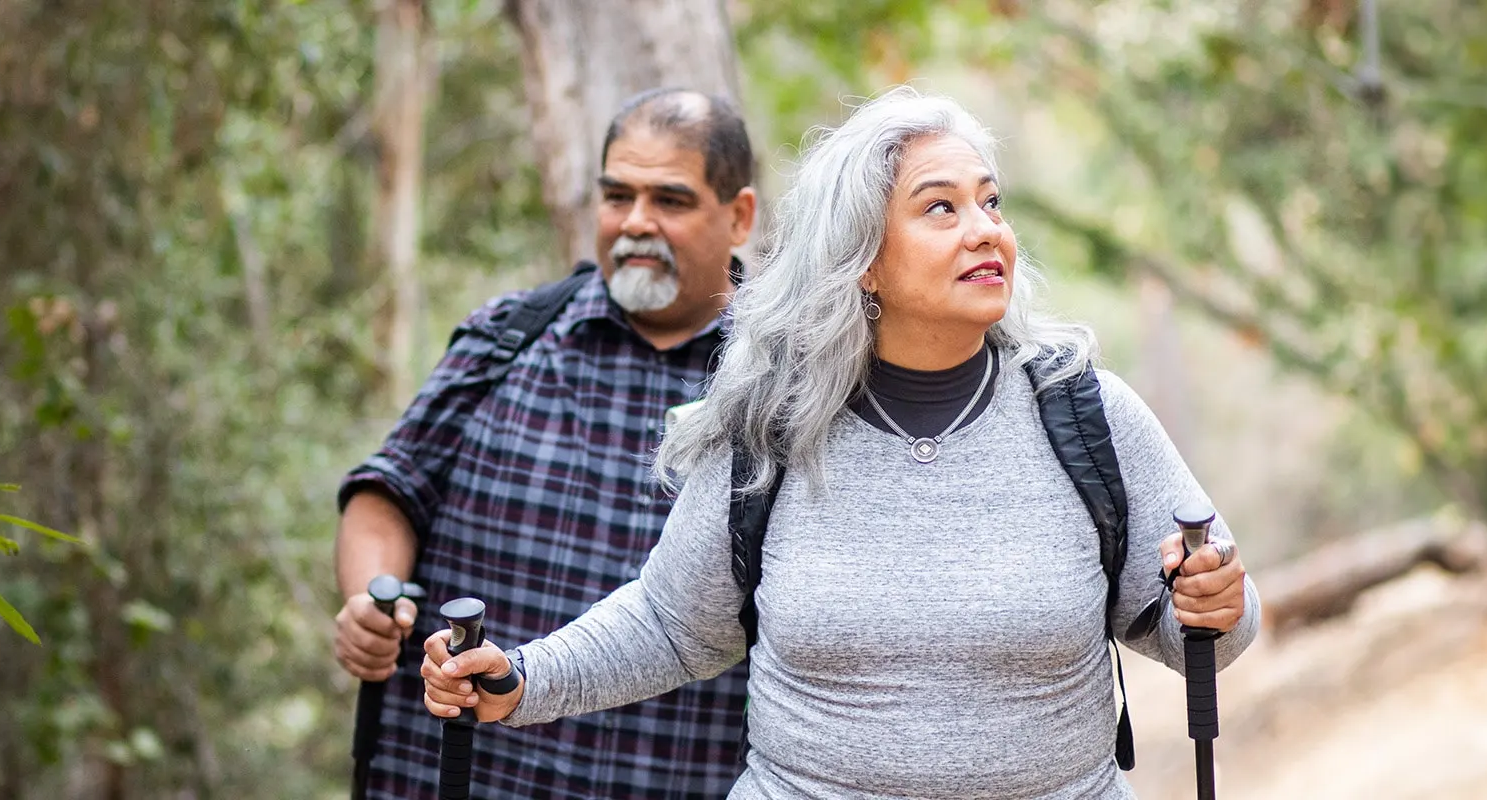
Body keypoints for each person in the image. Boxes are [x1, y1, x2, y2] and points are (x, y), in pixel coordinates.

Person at [421, 86, 1262, 799]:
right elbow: (674, 625)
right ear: (863, 257)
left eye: (991, 201)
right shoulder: (774, 427)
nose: (985, 230)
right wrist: (519, 682)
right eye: (941, 207)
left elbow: (1206, 635)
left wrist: (1218, 604)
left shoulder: (1085, 412)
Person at [333, 87, 760, 799]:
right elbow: (392, 489)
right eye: (617, 196)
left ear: (739, 215)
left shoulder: (784, 384)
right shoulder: (508, 338)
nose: (636, 224)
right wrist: (367, 604)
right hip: (457, 774)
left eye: (671, 201)